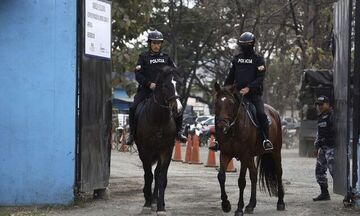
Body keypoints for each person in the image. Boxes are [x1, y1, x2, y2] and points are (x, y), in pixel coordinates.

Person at [209, 31, 273, 152]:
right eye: (243, 44)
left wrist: (249, 88)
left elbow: (260, 78)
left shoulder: (258, 60)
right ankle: (218, 140)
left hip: (253, 95)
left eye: (247, 44)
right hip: (237, 94)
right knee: (221, 114)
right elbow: (230, 77)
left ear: (252, 44)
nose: (245, 47)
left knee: (261, 114)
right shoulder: (237, 59)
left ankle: (265, 139)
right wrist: (223, 90)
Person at [125, 30, 187, 145]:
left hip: (164, 92)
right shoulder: (143, 57)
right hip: (146, 90)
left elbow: (174, 71)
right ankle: (132, 134)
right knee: (133, 107)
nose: (156, 45)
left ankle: (179, 131)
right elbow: (138, 74)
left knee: (178, 105)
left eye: (158, 43)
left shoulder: (166, 57)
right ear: (149, 44)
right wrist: (149, 84)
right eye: (154, 43)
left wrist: (176, 79)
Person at [313, 95, 335, 201]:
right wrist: (316, 146)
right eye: (318, 105)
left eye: (321, 104)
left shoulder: (333, 115)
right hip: (323, 148)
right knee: (319, 171)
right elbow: (319, 133)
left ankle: (348, 192)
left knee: (334, 170)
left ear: (327, 104)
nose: (320, 107)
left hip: (332, 148)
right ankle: (325, 194)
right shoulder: (320, 117)